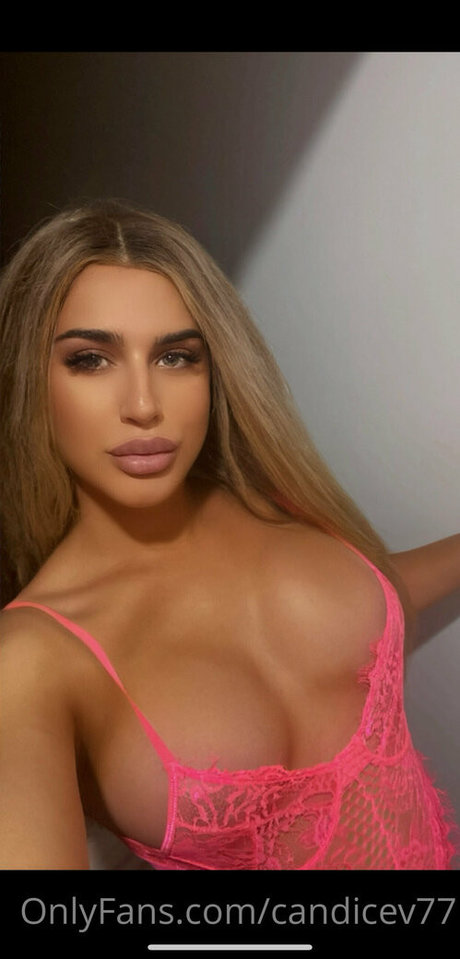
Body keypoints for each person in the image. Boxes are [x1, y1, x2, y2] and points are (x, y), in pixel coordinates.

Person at [0, 199, 459, 871]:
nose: (144, 405)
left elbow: (367, 606)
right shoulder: (31, 661)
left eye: (176, 357)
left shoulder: (264, 497)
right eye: (91, 360)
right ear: (27, 380)